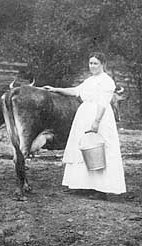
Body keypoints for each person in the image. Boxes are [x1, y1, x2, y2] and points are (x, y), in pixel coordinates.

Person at [44, 52, 126, 199]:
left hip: (99, 116)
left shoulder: (107, 81)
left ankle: (101, 190)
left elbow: (103, 103)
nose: (92, 66)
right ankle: (83, 185)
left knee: (99, 149)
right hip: (84, 114)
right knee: (83, 148)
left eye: (95, 63)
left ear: (103, 64)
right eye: (90, 63)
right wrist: (56, 89)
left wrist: (96, 122)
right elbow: (76, 91)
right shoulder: (90, 80)